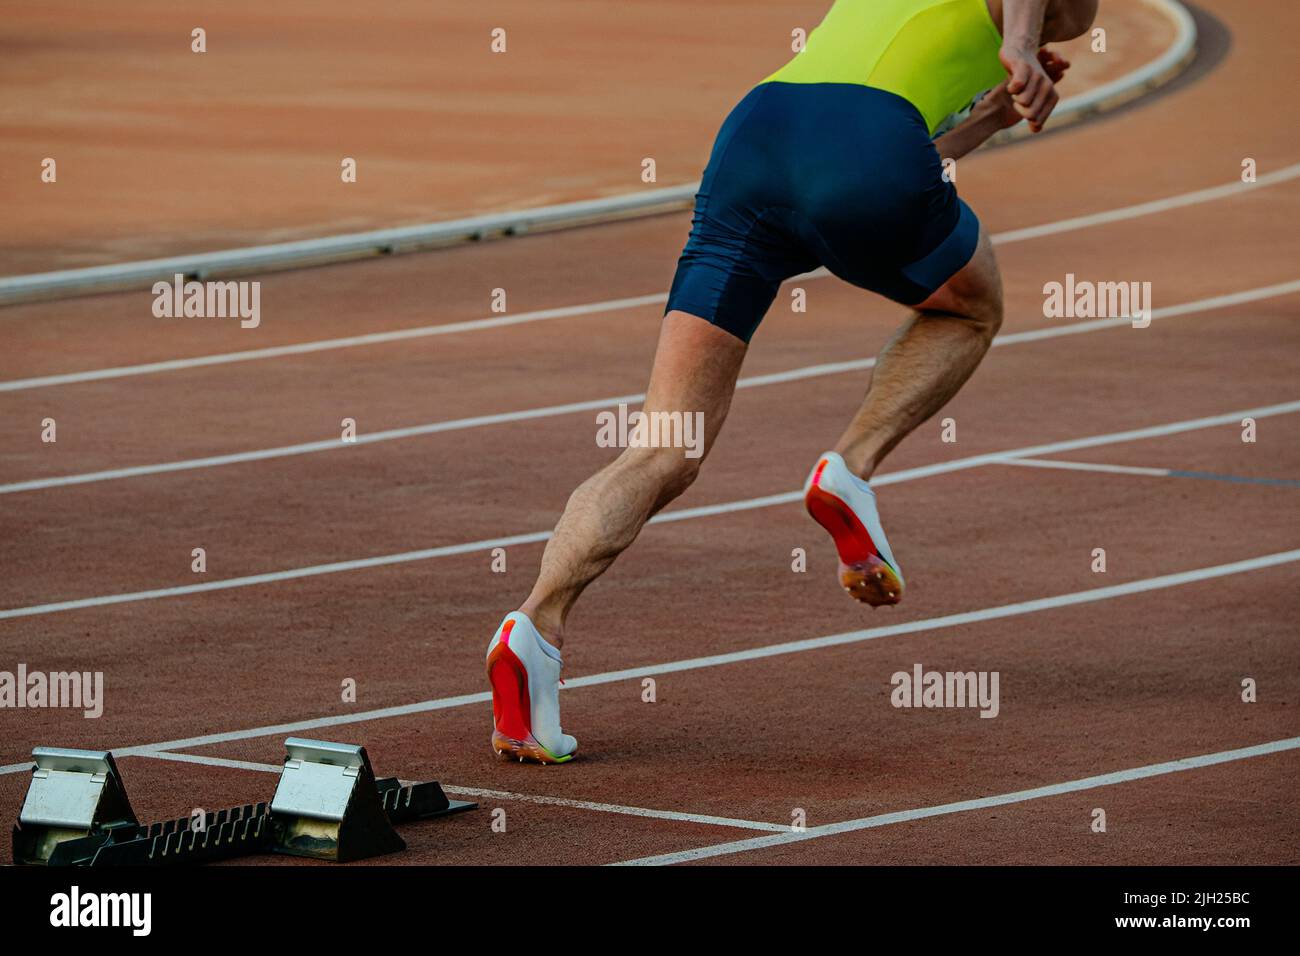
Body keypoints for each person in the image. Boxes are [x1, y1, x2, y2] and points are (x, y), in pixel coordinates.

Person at [487, 0, 1099, 764]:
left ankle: (534, 628)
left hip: (756, 136)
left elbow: (884, 153)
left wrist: (984, 122)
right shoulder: (1016, 25)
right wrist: (1018, 44)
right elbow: (869, 161)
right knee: (971, 309)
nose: (1055, 33)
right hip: (860, 147)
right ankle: (852, 467)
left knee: (663, 448)